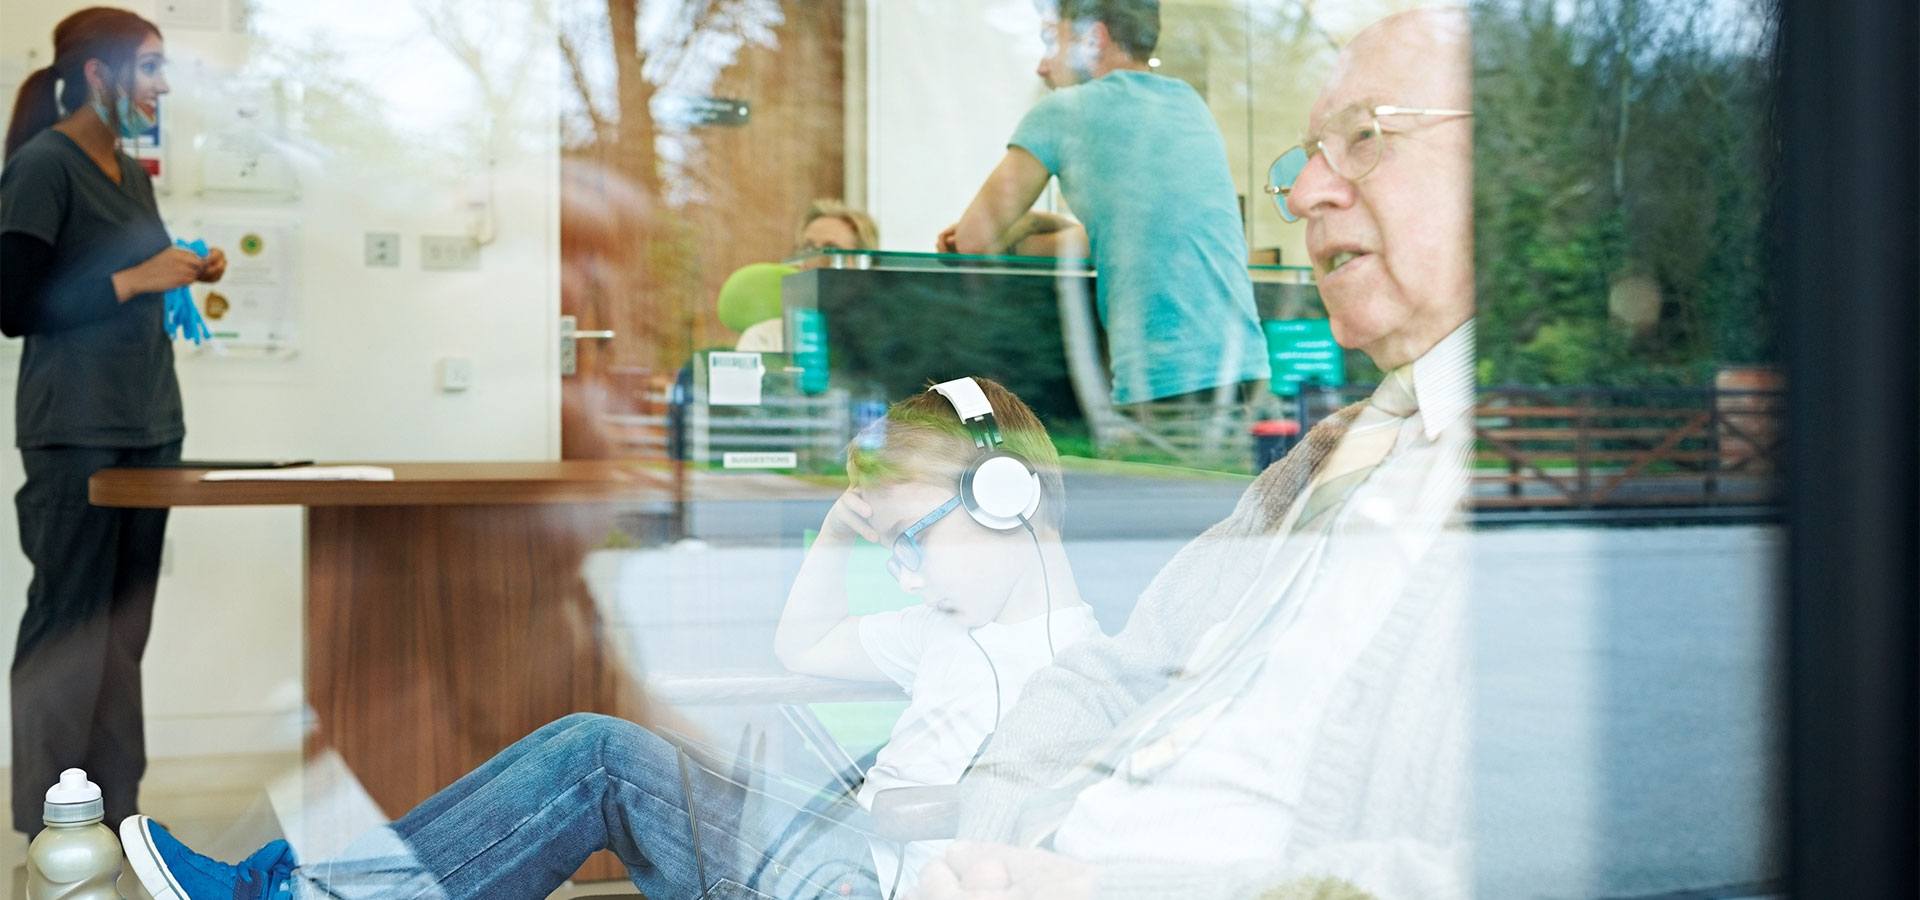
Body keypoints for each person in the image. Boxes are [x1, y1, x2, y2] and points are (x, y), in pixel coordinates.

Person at [119, 8, 1476, 897]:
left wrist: (958, 841)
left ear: (1078, 36)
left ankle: (288, 891)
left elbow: (967, 242)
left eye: (1360, 141)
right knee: (655, 748)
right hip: (1202, 407)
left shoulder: (1066, 618)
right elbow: (853, 652)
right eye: (1306, 151)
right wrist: (876, 546)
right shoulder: (1306, 458)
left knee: (603, 753)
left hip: (946, 857)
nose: (1306, 188)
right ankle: (290, 883)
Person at [0, 7, 229, 837]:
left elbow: (123, 275)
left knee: (122, 637)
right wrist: (137, 279)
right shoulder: (42, 167)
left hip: (148, 427)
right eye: (150, 68)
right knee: (71, 630)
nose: (164, 87)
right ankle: (49, 826)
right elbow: (14, 305)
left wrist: (187, 268)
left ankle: (117, 816)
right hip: (77, 435)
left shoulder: (133, 175)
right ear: (97, 76)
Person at [773, 377, 1102, 895]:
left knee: (608, 758)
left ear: (1004, 497)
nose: (909, 579)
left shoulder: (1082, 676)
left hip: (872, 880)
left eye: (916, 538)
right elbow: (806, 645)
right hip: (840, 850)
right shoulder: (945, 629)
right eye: (896, 552)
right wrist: (836, 532)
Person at [937, 0, 1267, 412]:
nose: (1042, 66)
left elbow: (970, 239)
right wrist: (1033, 225)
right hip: (1248, 371)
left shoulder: (1065, 111)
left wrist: (1020, 229)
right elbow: (1126, 236)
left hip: (1165, 382)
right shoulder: (1187, 103)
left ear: (1094, 39)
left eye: (1049, 41)